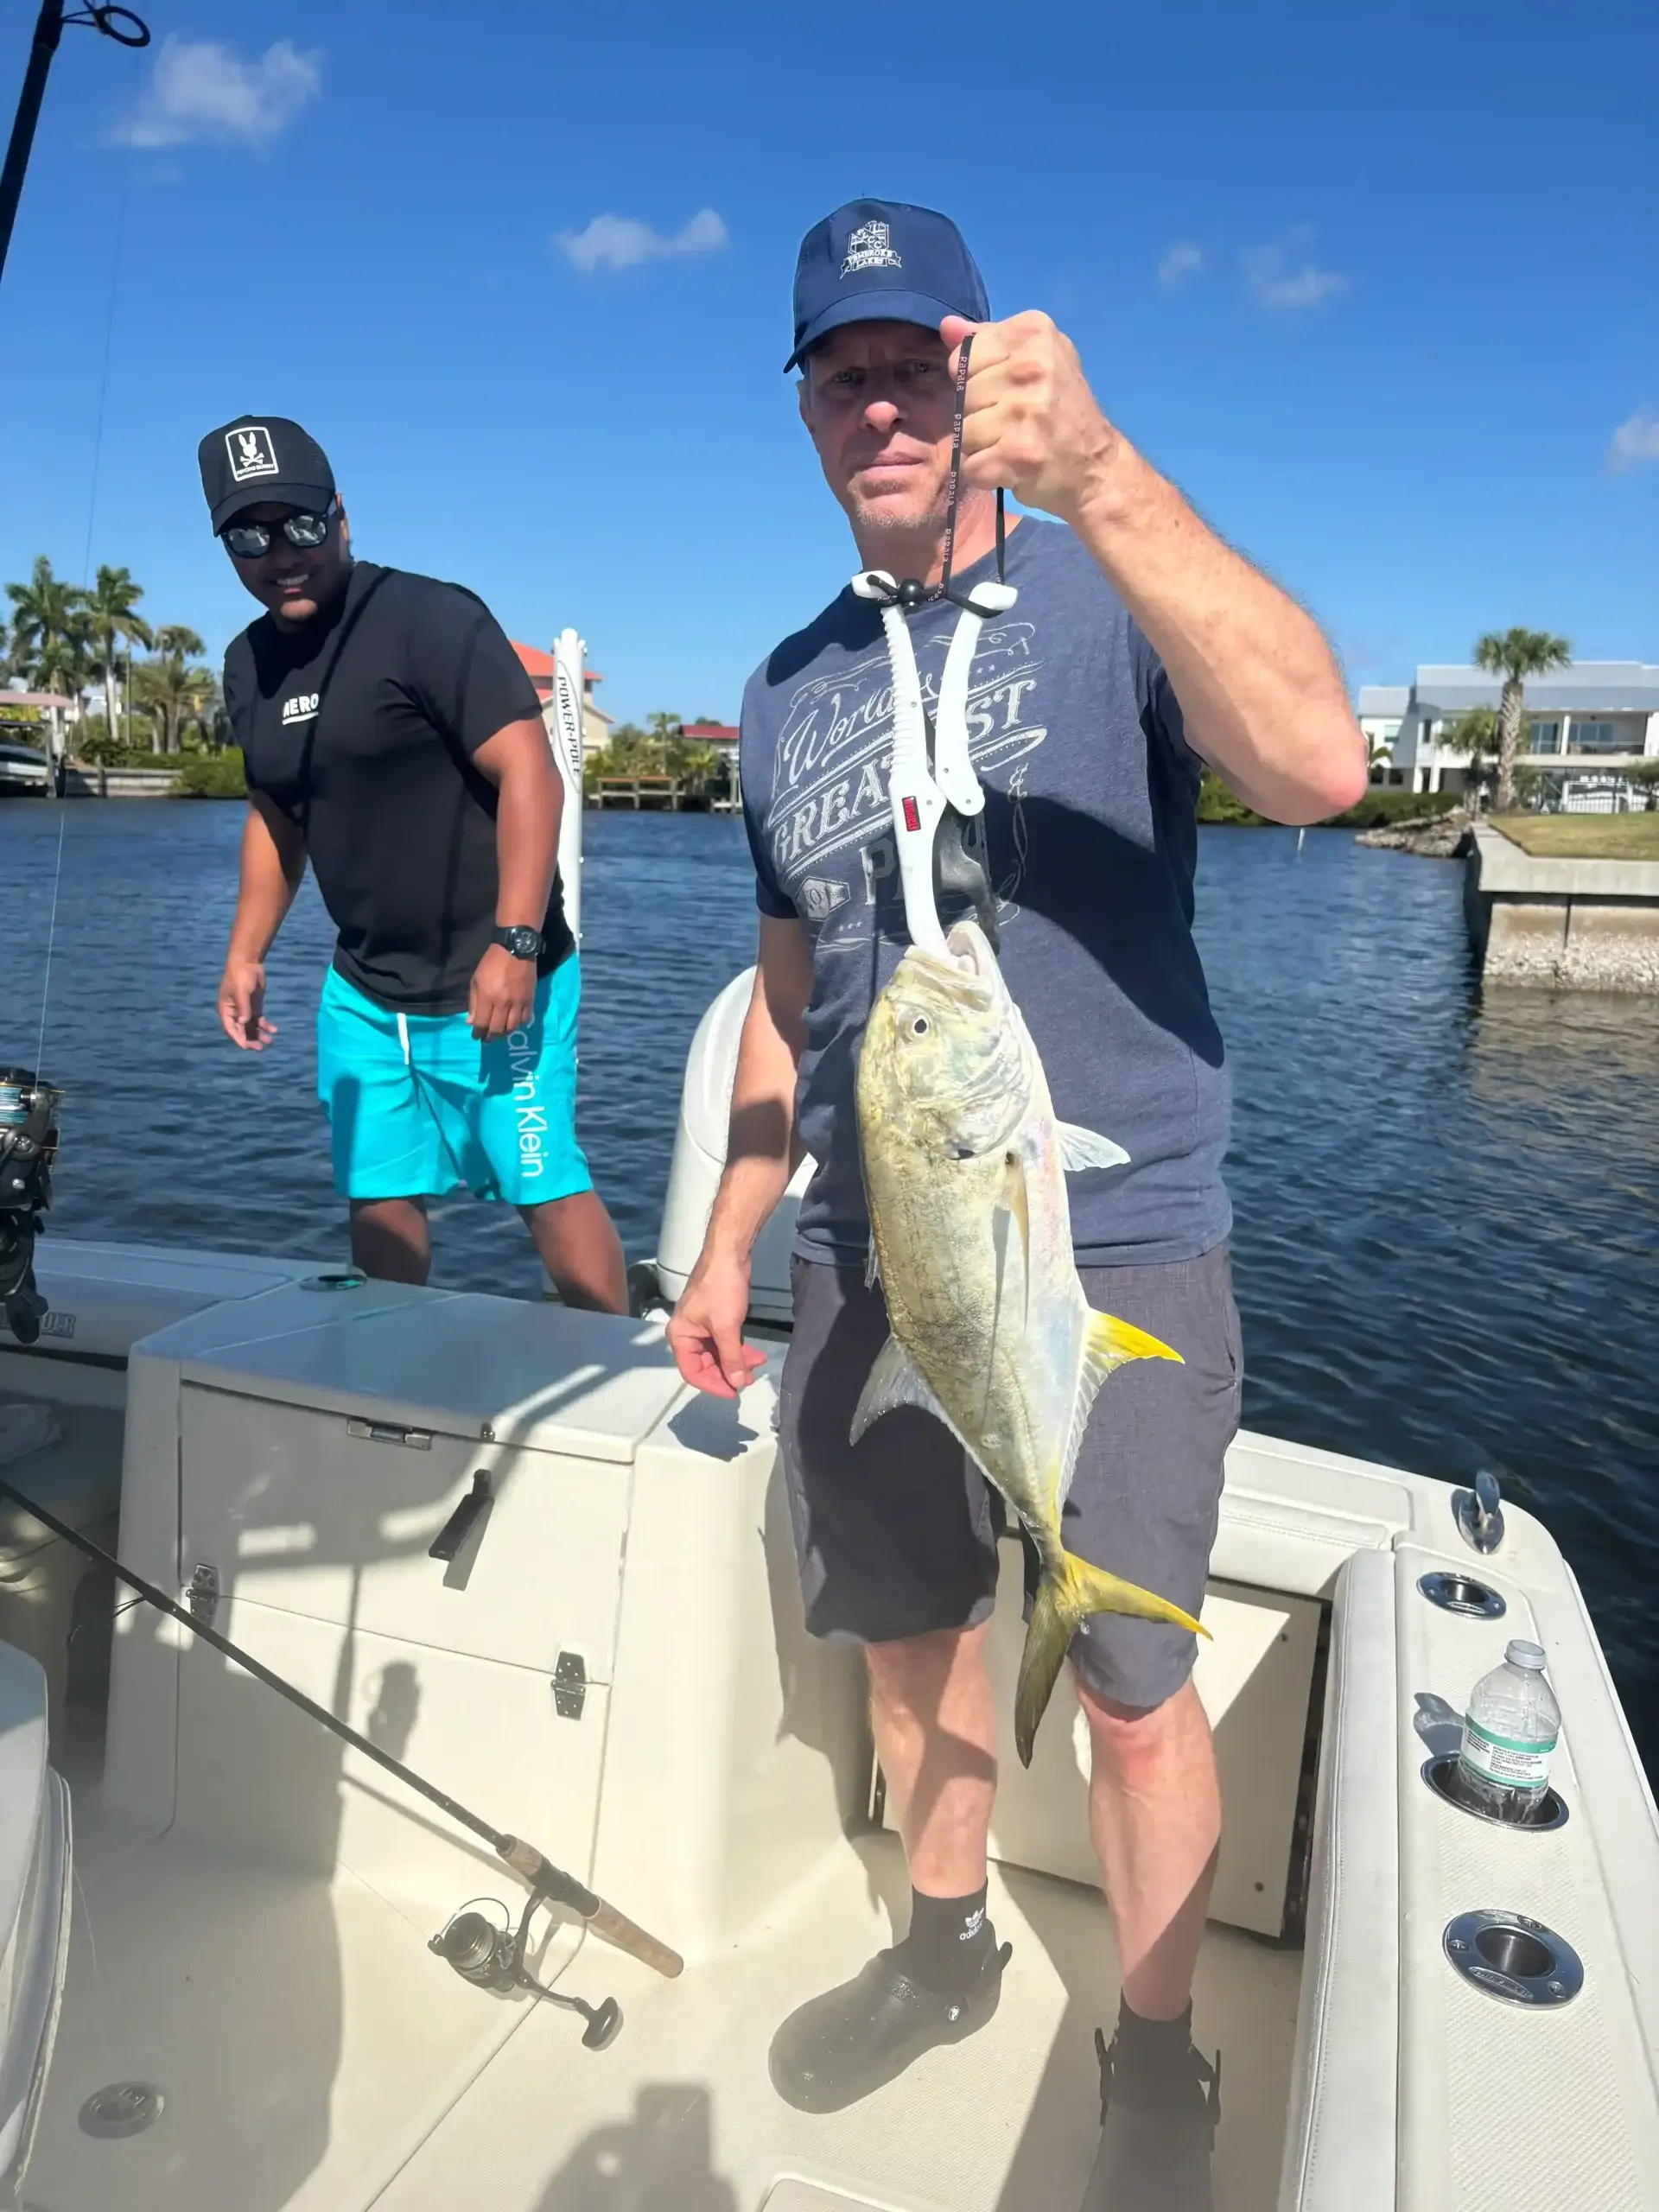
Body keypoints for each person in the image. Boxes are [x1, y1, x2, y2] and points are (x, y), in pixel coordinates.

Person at [665, 201, 1366, 2209]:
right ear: (803, 410)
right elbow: (795, 1005)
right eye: (838, 371)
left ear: (971, 370)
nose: (877, 399)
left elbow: (1316, 757)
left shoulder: (1100, 588)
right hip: (859, 1252)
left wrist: (1102, 470)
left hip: (1108, 1239)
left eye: (910, 360)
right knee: (905, 1639)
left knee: (1133, 1687)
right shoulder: (783, 695)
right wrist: (726, 1237)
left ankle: (1156, 2048)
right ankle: (947, 1935)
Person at [200, 414, 626, 1311]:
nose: (280, 552)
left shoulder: (430, 618)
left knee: (541, 1186)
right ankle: (390, 1383)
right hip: (364, 994)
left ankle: (614, 1361)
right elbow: (279, 814)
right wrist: (246, 951)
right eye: (249, 534)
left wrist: (513, 939)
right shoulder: (248, 667)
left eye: (301, 525)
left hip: (501, 975)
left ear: (342, 515)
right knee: (380, 1197)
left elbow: (530, 771)